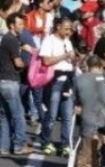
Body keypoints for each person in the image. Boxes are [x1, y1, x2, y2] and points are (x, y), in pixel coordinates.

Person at [0, 13, 33, 156]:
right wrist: (28, 64)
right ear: (12, 25)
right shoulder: (11, 40)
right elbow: (17, 63)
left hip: (1, 81)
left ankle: (3, 147)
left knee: (6, 115)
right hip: (10, 81)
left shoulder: (9, 39)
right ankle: (19, 146)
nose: (22, 27)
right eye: (20, 24)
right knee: (19, 115)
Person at [73, 54, 105, 167]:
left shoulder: (80, 79)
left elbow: (75, 101)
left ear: (88, 66)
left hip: (90, 124)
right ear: (101, 65)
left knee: (86, 159)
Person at [40, 17, 77, 157]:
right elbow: (46, 61)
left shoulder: (68, 42)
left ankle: (65, 144)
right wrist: (65, 56)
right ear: (58, 27)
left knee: (67, 115)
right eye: (66, 28)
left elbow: (70, 59)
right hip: (54, 80)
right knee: (52, 114)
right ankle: (46, 141)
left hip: (68, 80)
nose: (69, 32)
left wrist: (74, 59)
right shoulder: (49, 40)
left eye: (70, 29)